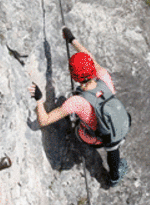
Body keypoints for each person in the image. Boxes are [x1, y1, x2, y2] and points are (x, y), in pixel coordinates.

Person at [28, 27, 128, 185]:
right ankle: (114, 176)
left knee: (79, 132)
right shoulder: (104, 76)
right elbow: (90, 57)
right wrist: (72, 39)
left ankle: (83, 135)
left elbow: (44, 121)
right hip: (118, 126)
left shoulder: (76, 102)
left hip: (95, 138)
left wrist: (39, 100)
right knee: (112, 146)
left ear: (74, 76)